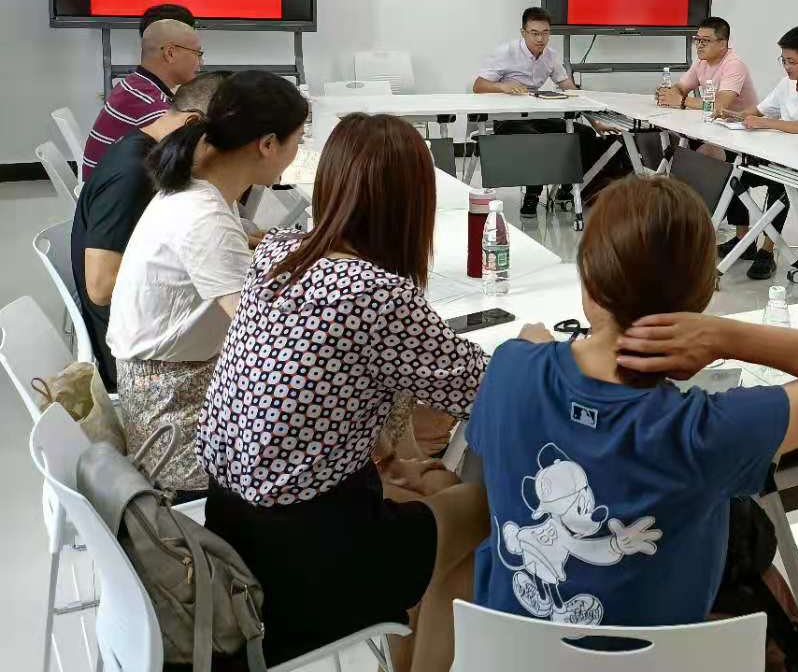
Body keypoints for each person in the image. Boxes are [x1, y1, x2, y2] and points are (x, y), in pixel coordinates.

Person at [466, 175, 798, 629]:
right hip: (657, 660)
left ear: (588, 275)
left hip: (508, 655)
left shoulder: (511, 370)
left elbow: (533, 364)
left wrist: (535, 349)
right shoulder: (703, 431)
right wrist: (725, 337)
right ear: (700, 299)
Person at [198, 114, 489, 672]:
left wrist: (385, 456)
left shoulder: (277, 254)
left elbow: (312, 384)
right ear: (413, 205)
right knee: (479, 511)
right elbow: (483, 390)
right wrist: (535, 350)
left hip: (234, 534)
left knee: (435, 490)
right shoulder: (377, 293)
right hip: (301, 567)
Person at [107, 70, 307, 497]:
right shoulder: (204, 217)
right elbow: (266, 339)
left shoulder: (199, 190)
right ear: (268, 145)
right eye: (299, 140)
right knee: (345, 405)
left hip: (176, 381)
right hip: (173, 419)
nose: (298, 153)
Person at [70, 72, 227, 390]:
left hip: (144, 333)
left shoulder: (149, 150)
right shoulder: (133, 174)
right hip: (134, 359)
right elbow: (100, 287)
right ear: (192, 124)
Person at [723, 26, 798, 280]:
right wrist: (734, 115)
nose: (787, 67)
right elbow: (761, 110)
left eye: (791, 61)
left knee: (781, 184)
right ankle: (743, 239)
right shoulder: (786, 83)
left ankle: (768, 250)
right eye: (783, 60)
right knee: (734, 171)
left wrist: (766, 123)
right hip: (779, 155)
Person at [473, 6, 580, 219]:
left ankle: (566, 187)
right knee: (536, 139)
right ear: (523, 32)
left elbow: (569, 87)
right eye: (534, 33)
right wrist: (502, 86)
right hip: (508, 118)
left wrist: (594, 118)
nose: (540, 39)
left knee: (581, 134)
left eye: (545, 33)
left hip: (537, 115)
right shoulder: (506, 53)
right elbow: (478, 86)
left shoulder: (551, 56)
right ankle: (533, 194)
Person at [82, 11, 203, 179]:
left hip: (103, 184)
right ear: (170, 53)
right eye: (197, 54)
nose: (201, 63)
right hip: (113, 189)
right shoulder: (150, 104)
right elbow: (193, 161)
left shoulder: (135, 84)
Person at [655, 16, 758, 115]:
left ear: (722, 44)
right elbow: (681, 87)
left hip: (741, 123)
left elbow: (720, 105)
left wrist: (682, 100)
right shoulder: (701, 62)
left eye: (706, 40)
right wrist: (668, 94)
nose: (700, 45)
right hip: (714, 120)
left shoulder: (734, 65)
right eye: (697, 39)